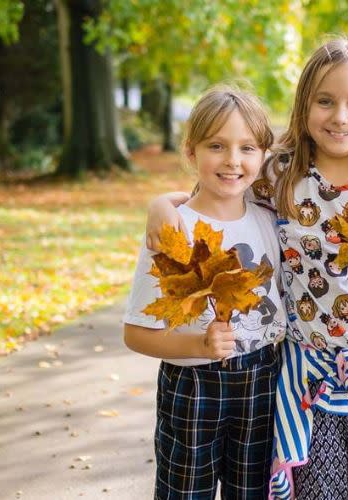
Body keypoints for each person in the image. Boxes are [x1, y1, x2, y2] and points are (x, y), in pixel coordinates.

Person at [145, 38, 348, 500]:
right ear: (304, 105)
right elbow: (217, 191)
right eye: (325, 101)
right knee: (318, 492)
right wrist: (163, 203)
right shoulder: (280, 175)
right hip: (305, 378)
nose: (340, 116)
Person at [123, 85, 286, 499]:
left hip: (262, 380)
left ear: (263, 156)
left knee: (251, 492)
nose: (233, 160)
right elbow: (135, 333)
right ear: (191, 151)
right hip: (193, 385)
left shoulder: (272, 220)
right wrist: (199, 342)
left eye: (247, 148)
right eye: (217, 145)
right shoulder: (173, 230)